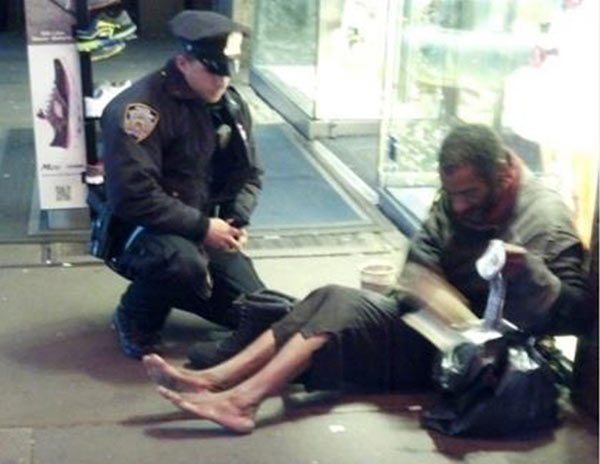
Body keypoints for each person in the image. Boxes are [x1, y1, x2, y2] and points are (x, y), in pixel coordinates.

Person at [142, 123, 592, 433]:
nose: (458, 207)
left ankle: (241, 401)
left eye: (470, 194)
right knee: (330, 295)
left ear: (505, 174)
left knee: (341, 308)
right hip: (438, 331)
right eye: (452, 195)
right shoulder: (462, 195)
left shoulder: (544, 219)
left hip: (480, 362)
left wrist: (530, 274)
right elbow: (421, 258)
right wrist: (429, 291)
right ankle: (220, 380)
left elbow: (574, 315)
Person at [97, 10, 287, 361]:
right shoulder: (140, 110)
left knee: (256, 313)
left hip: (203, 227)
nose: (223, 81)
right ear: (183, 62)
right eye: (213, 70)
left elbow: (250, 173)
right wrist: (202, 228)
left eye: (229, 70)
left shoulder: (228, 102)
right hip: (143, 230)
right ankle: (135, 316)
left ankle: (190, 285)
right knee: (181, 267)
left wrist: (234, 219)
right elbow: (132, 195)